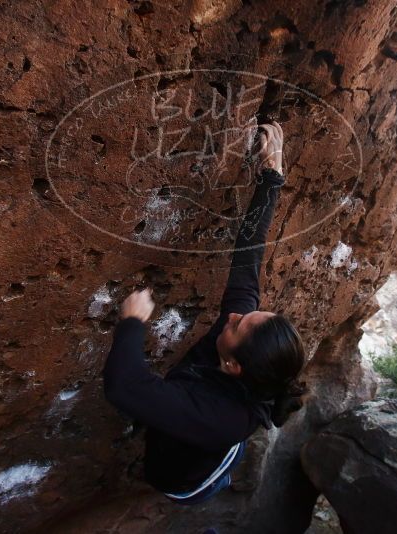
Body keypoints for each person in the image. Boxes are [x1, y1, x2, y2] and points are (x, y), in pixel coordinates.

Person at [103, 121, 305, 505]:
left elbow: (124, 386)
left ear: (232, 365)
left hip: (185, 480)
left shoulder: (215, 416)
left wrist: (131, 322)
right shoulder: (245, 353)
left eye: (238, 324)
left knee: (192, 480)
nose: (231, 316)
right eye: (249, 314)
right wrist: (271, 179)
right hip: (216, 424)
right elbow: (248, 258)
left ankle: (217, 483)